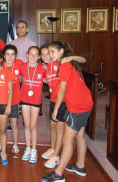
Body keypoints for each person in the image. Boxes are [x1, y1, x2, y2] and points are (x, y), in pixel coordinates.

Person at [41, 41, 93, 182]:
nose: (50, 55)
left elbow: (62, 90)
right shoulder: (69, 63)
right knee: (80, 136)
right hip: (86, 103)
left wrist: (56, 110)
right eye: (49, 52)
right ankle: (80, 166)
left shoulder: (64, 64)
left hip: (77, 106)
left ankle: (58, 174)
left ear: (61, 51)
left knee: (67, 140)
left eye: (52, 52)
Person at [20, 46, 46, 163]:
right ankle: (28, 148)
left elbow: (49, 80)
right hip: (25, 98)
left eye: (36, 55)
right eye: (31, 54)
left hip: (36, 100)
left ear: (39, 57)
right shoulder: (22, 67)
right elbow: (18, 79)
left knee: (33, 125)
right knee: (26, 124)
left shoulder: (42, 68)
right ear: (27, 54)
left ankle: (34, 149)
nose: (33, 57)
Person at [2, 45, 24, 158]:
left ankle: (15, 146)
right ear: (4, 56)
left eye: (12, 54)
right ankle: (2, 144)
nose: (10, 57)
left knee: (14, 124)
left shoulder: (20, 64)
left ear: (15, 55)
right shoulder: (0, 65)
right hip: (2, 99)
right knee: (2, 125)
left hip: (14, 99)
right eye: (7, 54)